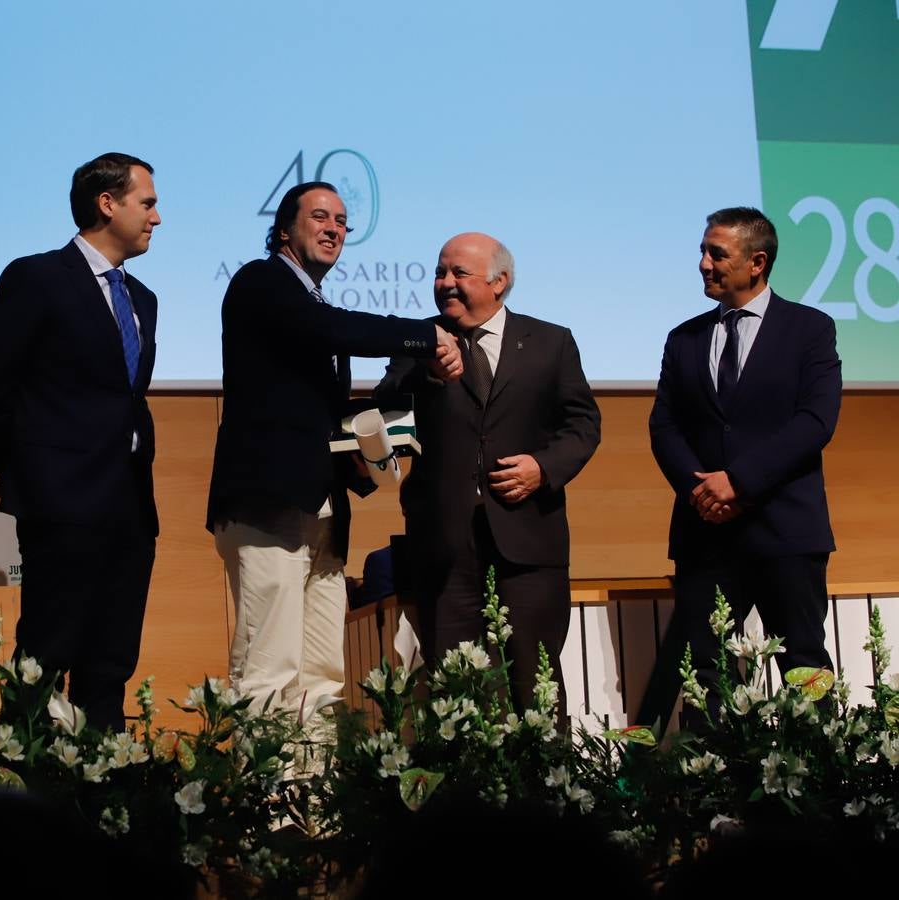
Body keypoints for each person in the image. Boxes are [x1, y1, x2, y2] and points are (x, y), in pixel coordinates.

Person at [205, 181, 461, 713]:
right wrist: (427, 336)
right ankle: (267, 795)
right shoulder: (261, 282)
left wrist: (366, 454)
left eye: (342, 221)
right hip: (268, 507)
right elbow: (331, 329)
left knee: (321, 673)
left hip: (321, 512)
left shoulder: (314, 304)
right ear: (284, 229)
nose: (334, 229)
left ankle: (314, 795)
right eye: (320, 217)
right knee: (268, 668)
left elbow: (314, 415)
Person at [0, 152, 160, 731]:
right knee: (46, 657)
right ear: (108, 204)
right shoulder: (38, 277)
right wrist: (30, 479)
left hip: (128, 508)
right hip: (60, 505)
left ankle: (103, 795)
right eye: (147, 203)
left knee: (110, 661)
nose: (157, 217)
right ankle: (28, 796)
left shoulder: (142, 299)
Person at [375, 232, 599, 715]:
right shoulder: (417, 342)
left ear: (499, 282)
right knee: (456, 691)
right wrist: (428, 373)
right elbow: (386, 406)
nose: (445, 283)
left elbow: (582, 425)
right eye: (440, 273)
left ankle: (545, 785)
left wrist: (543, 467)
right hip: (444, 543)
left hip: (528, 540)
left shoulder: (550, 342)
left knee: (534, 683)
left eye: (459, 273)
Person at [639, 207, 841, 730]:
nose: (703, 263)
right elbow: (664, 427)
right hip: (705, 533)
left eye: (716, 254)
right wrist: (702, 490)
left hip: (786, 530)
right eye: (703, 251)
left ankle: (819, 798)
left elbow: (815, 421)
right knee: (707, 674)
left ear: (757, 262)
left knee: (804, 666)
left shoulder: (810, 330)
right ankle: (714, 799)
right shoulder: (683, 338)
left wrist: (741, 482)